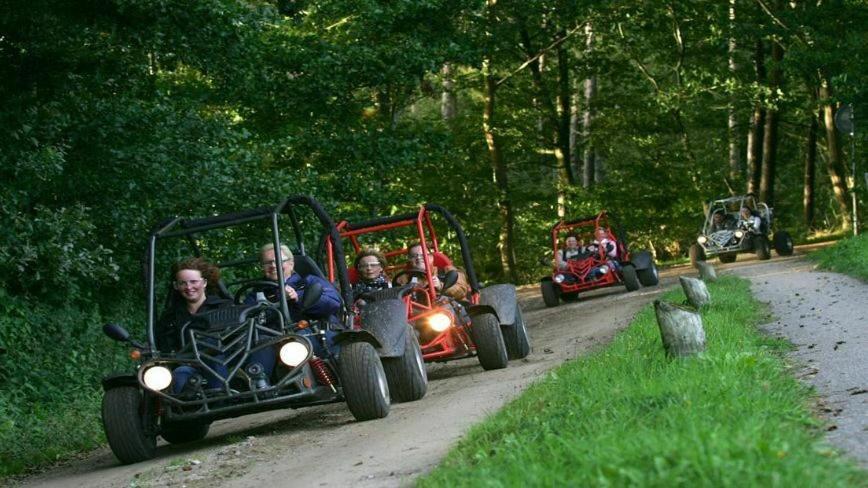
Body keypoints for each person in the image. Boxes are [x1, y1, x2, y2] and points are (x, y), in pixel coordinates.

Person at [156, 257, 273, 394]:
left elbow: (242, 337)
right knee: (180, 376)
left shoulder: (225, 307)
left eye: (193, 282)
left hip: (231, 360)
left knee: (264, 344)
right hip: (194, 365)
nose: (189, 287)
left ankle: (261, 388)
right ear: (176, 286)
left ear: (204, 282)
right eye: (183, 283)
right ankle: (215, 399)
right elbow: (166, 350)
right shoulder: (170, 318)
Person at [247, 243, 342, 322]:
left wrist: (298, 297)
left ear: (291, 264)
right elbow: (244, 315)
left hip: (310, 331)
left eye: (279, 261)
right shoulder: (257, 292)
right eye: (267, 263)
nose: (273, 266)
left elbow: (333, 303)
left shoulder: (309, 281)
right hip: (271, 337)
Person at [395, 243, 470, 300]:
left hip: (447, 309)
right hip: (418, 313)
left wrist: (441, 286)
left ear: (431, 257)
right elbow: (395, 293)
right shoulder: (405, 277)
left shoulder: (446, 270)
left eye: (423, 254)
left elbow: (462, 290)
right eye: (414, 256)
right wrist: (407, 289)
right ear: (410, 261)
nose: (418, 258)